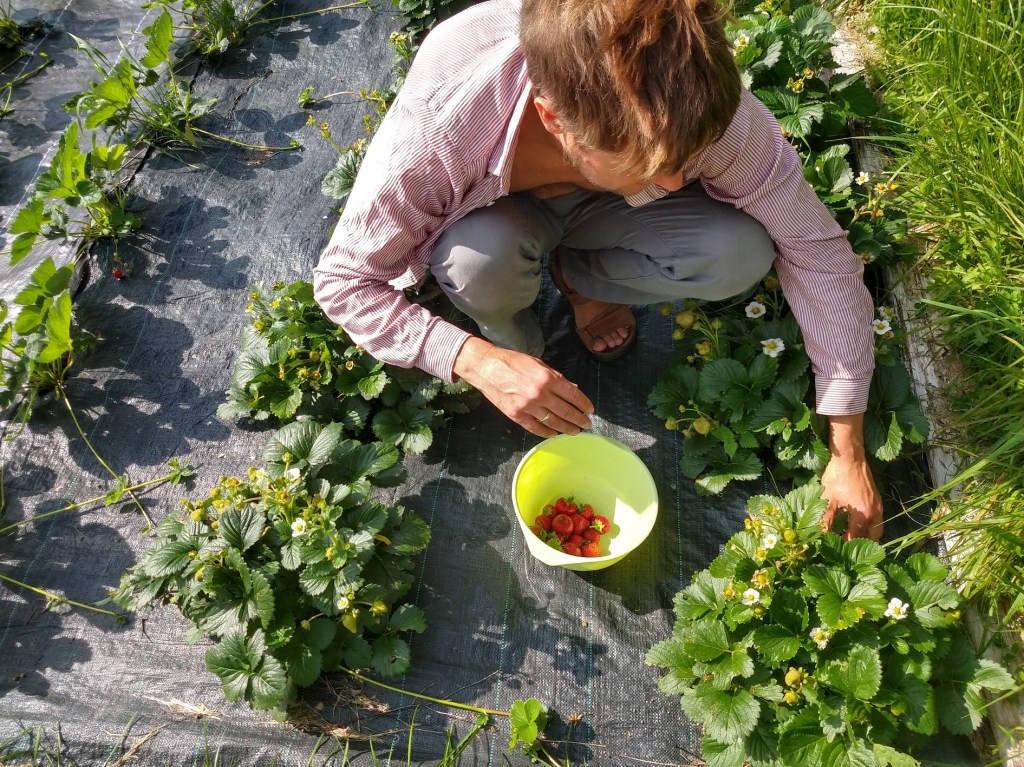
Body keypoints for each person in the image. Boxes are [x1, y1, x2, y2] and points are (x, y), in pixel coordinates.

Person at [313, 0, 884, 539]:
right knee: (477, 263)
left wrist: (848, 450)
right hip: (495, 219)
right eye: (652, 165)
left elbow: (819, 254)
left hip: (600, 204)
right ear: (552, 119)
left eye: (686, 159)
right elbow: (343, 283)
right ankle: (516, 342)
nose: (676, 183)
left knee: (739, 250)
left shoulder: (704, 109)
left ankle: (580, 280)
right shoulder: (440, 133)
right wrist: (478, 361)